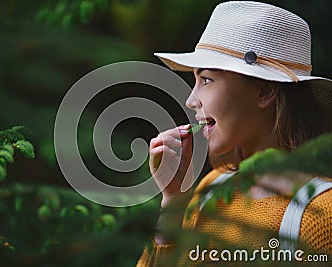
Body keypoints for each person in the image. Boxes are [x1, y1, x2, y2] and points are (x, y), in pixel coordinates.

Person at [137, 1, 332, 266]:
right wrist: (173, 201)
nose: (191, 100)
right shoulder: (211, 188)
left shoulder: (320, 215)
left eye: (206, 80)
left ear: (264, 91)